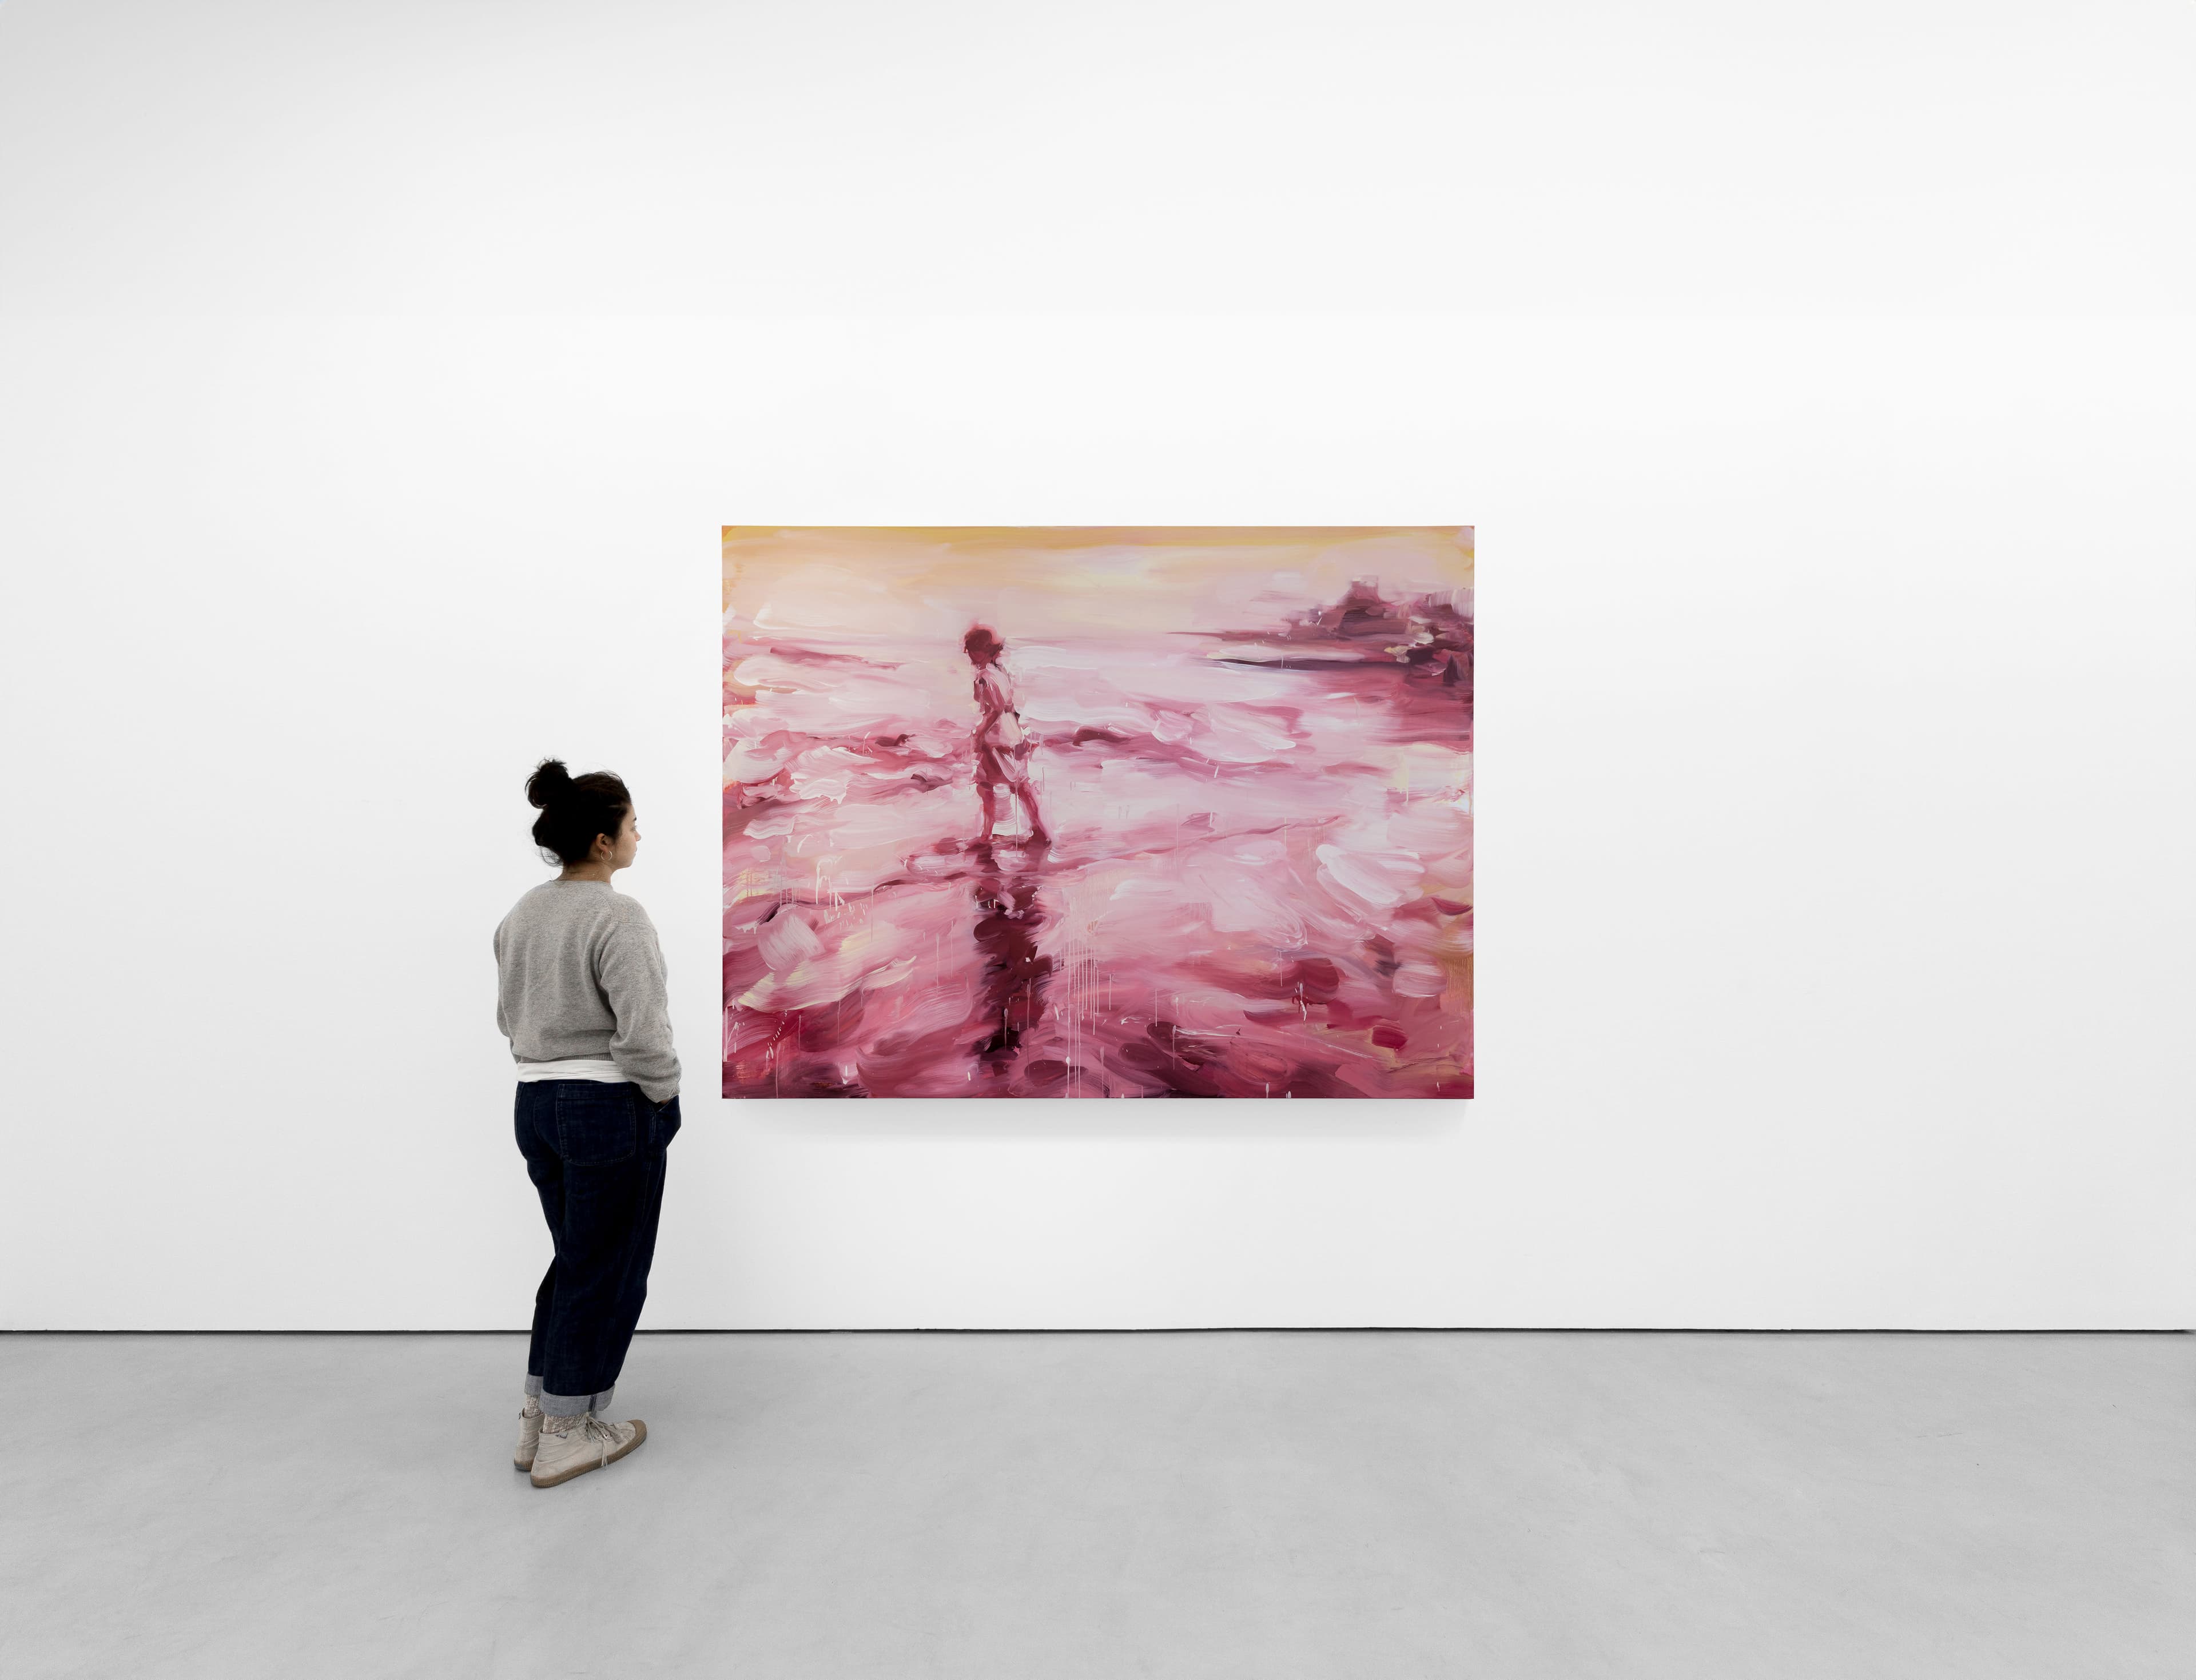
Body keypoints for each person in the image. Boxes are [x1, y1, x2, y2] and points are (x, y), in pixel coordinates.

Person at [494, 759, 681, 1488]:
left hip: (535, 1105)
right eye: (632, 823)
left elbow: (509, 1018)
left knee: (575, 1262)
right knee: (605, 1272)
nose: (640, 834)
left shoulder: (523, 913)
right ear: (602, 842)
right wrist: (662, 1098)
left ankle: (539, 1419)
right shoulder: (616, 915)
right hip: (605, 1106)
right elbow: (644, 1035)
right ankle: (571, 1432)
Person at [964, 625, 1047, 846]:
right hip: (1010, 733)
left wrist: (980, 734)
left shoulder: (984, 677)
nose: (970, 655)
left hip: (996, 737)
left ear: (983, 651)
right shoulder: (1000, 672)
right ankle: (1039, 830)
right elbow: (1008, 706)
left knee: (988, 787)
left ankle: (987, 835)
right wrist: (1018, 732)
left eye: (973, 650)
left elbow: (995, 709)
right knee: (1019, 785)